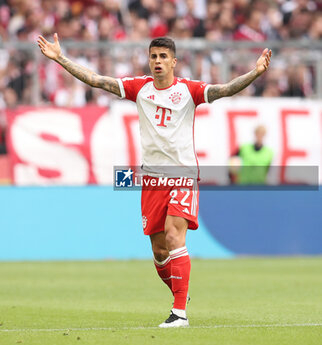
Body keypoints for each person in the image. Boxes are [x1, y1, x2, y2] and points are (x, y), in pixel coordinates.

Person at [37, 34, 271, 328]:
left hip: (183, 175)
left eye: (163, 57)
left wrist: (256, 72)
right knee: (160, 253)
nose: (157, 62)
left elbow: (224, 89)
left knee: (175, 236)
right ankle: (180, 295)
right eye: (153, 57)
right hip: (151, 180)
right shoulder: (140, 88)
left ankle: (179, 313)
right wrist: (59, 57)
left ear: (174, 62)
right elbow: (97, 80)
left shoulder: (189, 91)